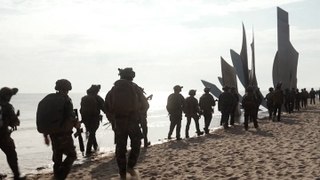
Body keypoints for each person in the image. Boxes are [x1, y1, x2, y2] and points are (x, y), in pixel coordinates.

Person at [105, 68, 145, 179]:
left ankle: (122, 173)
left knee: (120, 148)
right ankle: (130, 166)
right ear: (131, 76)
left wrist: (113, 120)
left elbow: (107, 106)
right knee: (136, 144)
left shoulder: (113, 90)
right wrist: (138, 115)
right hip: (132, 121)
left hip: (119, 123)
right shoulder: (135, 87)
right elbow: (145, 105)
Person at [40, 79, 79, 180]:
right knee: (72, 155)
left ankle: (57, 176)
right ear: (68, 88)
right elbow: (70, 116)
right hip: (64, 134)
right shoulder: (66, 100)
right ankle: (60, 176)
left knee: (57, 159)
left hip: (53, 134)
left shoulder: (49, 99)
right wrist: (76, 124)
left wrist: (45, 135)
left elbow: (45, 118)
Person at [0, 87, 26, 180]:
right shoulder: (7, 106)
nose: (10, 97)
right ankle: (16, 175)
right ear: (6, 96)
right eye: (10, 95)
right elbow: (15, 122)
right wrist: (16, 117)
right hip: (3, 136)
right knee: (11, 154)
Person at [80, 84, 106, 156]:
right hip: (94, 118)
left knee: (91, 133)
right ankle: (88, 151)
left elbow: (81, 110)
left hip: (85, 119)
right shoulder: (97, 98)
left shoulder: (84, 98)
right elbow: (104, 108)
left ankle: (95, 147)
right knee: (92, 133)